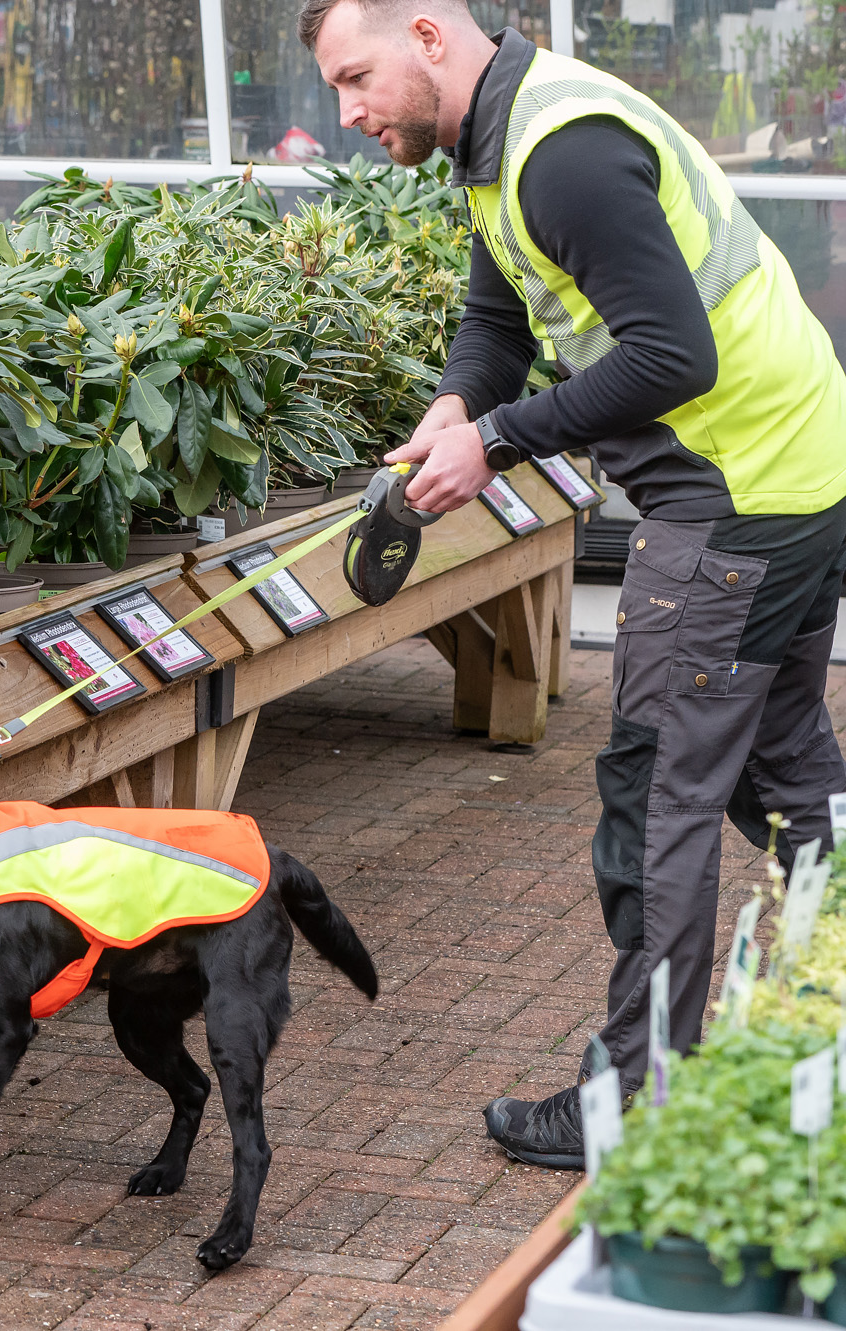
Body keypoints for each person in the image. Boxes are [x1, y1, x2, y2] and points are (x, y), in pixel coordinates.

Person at [300, 0, 846, 1168]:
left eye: (355, 78)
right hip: (795, 468)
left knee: (655, 802)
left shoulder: (560, 154)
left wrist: (491, 441)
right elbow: (495, 316)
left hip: (734, 498)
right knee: (783, 768)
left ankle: (633, 1106)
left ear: (427, 35)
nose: (343, 114)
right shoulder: (506, 139)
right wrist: (457, 401)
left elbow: (670, 356)